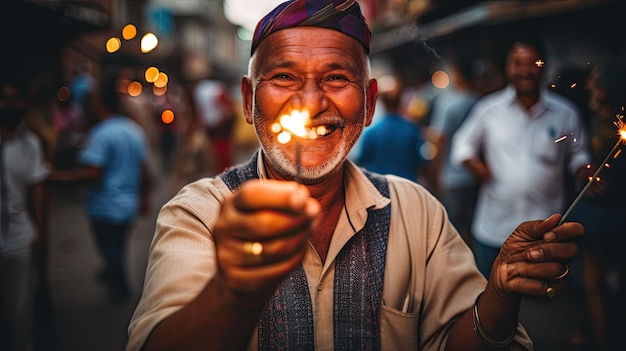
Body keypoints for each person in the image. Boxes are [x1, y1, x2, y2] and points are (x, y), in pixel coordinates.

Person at [128, 1, 583, 350]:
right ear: (249, 101)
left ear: (367, 104)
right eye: (284, 76)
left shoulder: (416, 212)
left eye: (336, 78)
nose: (310, 103)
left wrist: (500, 293)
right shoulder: (200, 214)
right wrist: (234, 291)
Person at [450, 35, 591, 278]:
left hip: (545, 228)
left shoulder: (565, 112)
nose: (525, 70)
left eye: (532, 62)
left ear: (543, 65)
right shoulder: (488, 109)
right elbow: (461, 146)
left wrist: (584, 170)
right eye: (518, 63)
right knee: (489, 296)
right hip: (494, 228)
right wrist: (476, 166)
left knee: (540, 300)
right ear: (507, 67)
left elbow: (579, 154)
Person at [48, 60, 153, 303]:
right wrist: (144, 198)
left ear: (100, 103)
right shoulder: (133, 130)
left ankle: (121, 288)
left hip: (104, 207)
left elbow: (92, 173)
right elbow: (145, 170)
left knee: (111, 252)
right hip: (127, 206)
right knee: (117, 249)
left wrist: (57, 177)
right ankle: (114, 279)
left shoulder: (100, 134)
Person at [567, 63, 626, 351]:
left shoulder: (606, 126)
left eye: (594, 82)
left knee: (594, 284)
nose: (588, 85)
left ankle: (602, 341)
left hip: (603, 212)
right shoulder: (613, 121)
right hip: (613, 212)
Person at [0, 75, 49, 351]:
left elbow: (37, 190)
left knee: (20, 312)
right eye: (4, 98)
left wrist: (40, 233)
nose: (9, 104)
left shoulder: (30, 144)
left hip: (20, 237)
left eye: (15, 98)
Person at [428, 53, 481, 246]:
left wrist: (436, 173)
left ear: (457, 73)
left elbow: (439, 140)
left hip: (452, 175)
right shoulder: (480, 101)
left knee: (452, 230)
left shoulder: (447, 102)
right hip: (475, 175)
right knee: (472, 226)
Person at [353, 74, 429, 182]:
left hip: (379, 189)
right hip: (407, 188)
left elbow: (361, 160)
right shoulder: (412, 130)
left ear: (381, 101)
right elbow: (422, 161)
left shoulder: (371, 132)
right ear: (400, 100)